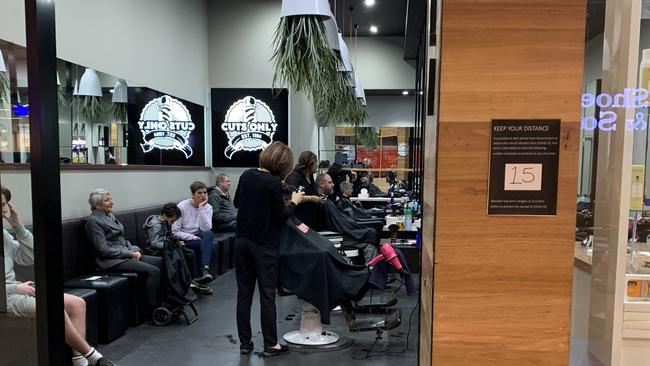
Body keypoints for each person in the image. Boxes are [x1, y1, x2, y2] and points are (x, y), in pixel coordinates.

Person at [2, 186, 118, 366]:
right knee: (54, 309)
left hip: (14, 289)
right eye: (1, 205)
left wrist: (18, 227)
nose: (4, 210)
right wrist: (14, 288)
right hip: (5, 297)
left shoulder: (3, 235)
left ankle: (79, 361)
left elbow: (30, 256)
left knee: (77, 304)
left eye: (5, 205)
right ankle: (94, 357)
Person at [233, 141, 304, 357]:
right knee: (267, 295)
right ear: (282, 164)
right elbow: (281, 217)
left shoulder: (246, 175)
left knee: (244, 295)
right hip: (263, 246)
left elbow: (237, 203)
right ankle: (270, 344)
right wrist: (294, 202)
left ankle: (245, 344)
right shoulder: (273, 182)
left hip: (242, 242)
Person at [85, 189, 162, 312]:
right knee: (154, 270)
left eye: (110, 198)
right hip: (111, 261)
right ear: (97, 205)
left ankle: (162, 299)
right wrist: (130, 253)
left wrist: (135, 250)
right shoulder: (93, 221)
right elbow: (103, 250)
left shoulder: (109, 216)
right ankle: (152, 308)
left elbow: (121, 239)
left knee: (160, 261)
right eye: (107, 200)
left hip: (123, 253)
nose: (112, 202)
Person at [142, 203, 213, 295]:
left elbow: (167, 237)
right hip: (157, 252)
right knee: (180, 256)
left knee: (190, 253)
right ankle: (186, 284)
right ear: (165, 215)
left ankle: (193, 280)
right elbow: (154, 244)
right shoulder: (155, 225)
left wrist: (176, 242)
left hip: (166, 248)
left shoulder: (164, 221)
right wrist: (172, 244)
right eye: (172, 220)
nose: (173, 222)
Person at [172, 181, 215, 283]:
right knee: (209, 246)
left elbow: (206, 228)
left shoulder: (208, 207)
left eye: (205, 193)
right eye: (199, 193)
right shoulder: (182, 207)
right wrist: (193, 237)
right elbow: (175, 231)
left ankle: (205, 270)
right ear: (192, 195)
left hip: (201, 236)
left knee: (209, 234)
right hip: (185, 239)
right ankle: (204, 273)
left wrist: (201, 208)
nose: (203, 195)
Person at [285, 151, 326, 229]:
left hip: (312, 219)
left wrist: (319, 196)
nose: (317, 165)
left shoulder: (310, 177)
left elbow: (311, 192)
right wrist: (312, 198)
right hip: (299, 219)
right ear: (310, 163)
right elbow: (292, 198)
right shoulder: (294, 177)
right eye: (315, 162)